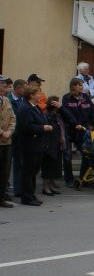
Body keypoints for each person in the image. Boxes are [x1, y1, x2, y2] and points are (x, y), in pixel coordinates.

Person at [16, 84, 53, 206]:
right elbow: (27, 126)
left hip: (37, 145)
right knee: (28, 172)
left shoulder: (35, 106)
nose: (40, 95)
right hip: (29, 145)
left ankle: (31, 194)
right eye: (38, 93)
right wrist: (43, 127)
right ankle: (26, 197)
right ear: (31, 95)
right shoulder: (25, 108)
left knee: (33, 171)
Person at [61, 77, 94, 187]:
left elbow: (92, 111)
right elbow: (66, 114)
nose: (82, 87)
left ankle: (83, 178)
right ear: (73, 86)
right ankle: (69, 180)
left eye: (82, 85)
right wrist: (74, 124)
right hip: (70, 130)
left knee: (86, 154)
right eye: (80, 85)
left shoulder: (86, 97)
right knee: (67, 156)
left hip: (84, 131)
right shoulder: (66, 98)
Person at [41, 96, 67, 196]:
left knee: (54, 168)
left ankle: (50, 187)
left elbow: (68, 117)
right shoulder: (47, 115)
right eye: (57, 102)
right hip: (49, 145)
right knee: (48, 168)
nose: (59, 104)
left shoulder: (57, 115)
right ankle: (46, 188)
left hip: (57, 144)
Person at [8, 78, 26, 199]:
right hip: (9, 136)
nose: (26, 90)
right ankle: (4, 190)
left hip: (21, 137)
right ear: (18, 88)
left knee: (19, 163)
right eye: (25, 88)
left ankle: (18, 189)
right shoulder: (8, 100)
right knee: (6, 164)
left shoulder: (24, 100)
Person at [0, 75, 16, 208]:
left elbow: (13, 118)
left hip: (6, 141)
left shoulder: (6, 100)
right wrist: (2, 132)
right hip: (1, 137)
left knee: (4, 171)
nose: (5, 87)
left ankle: (1, 198)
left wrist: (9, 132)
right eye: (3, 84)